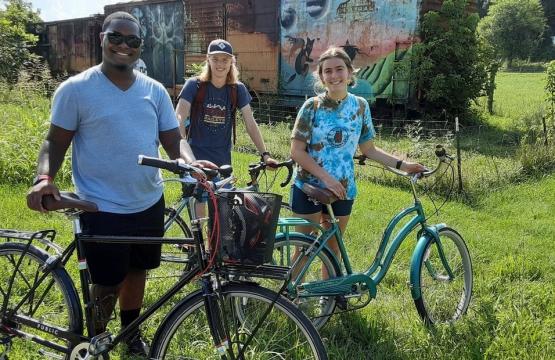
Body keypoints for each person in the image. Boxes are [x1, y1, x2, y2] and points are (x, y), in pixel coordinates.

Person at [26, 11, 214, 357]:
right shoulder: (76, 90)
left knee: (138, 270)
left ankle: (130, 333)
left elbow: (174, 139)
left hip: (148, 200)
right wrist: (43, 179)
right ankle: (97, 339)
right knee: (107, 281)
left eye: (133, 41)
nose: (123, 46)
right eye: (116, 37)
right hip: (101, 204)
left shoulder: (154, 91)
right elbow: (54, 142)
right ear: (102, 38)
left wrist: (188, 161)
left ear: (140, 46)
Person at [290, 46, 426, 277]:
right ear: (321, 76)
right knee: (304, 248)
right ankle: (290, 297)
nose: (334, 76)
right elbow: (297, 151)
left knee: (333, 248)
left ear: (350, 72)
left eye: (339, 69)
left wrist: (403, 165)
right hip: (308, 186)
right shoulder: (311, 106)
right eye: (328, 71)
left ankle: (328, 296)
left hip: (343, 190)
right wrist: (326, 178)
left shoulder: (360, 106)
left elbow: (369, 149)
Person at [175, 38, 278, 215]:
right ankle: (194, 243)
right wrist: (187, 158)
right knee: (199, 215)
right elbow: (178, 119)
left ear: (232, 61)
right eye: (215, 59)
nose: (220, 64)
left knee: (221, 218)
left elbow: (250, 123)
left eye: (225, 59)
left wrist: (265, 155)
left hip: (222, 161)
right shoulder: (194, 85)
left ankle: (212, 243)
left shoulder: (237, 89)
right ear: (208, 60)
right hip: (195, 157)